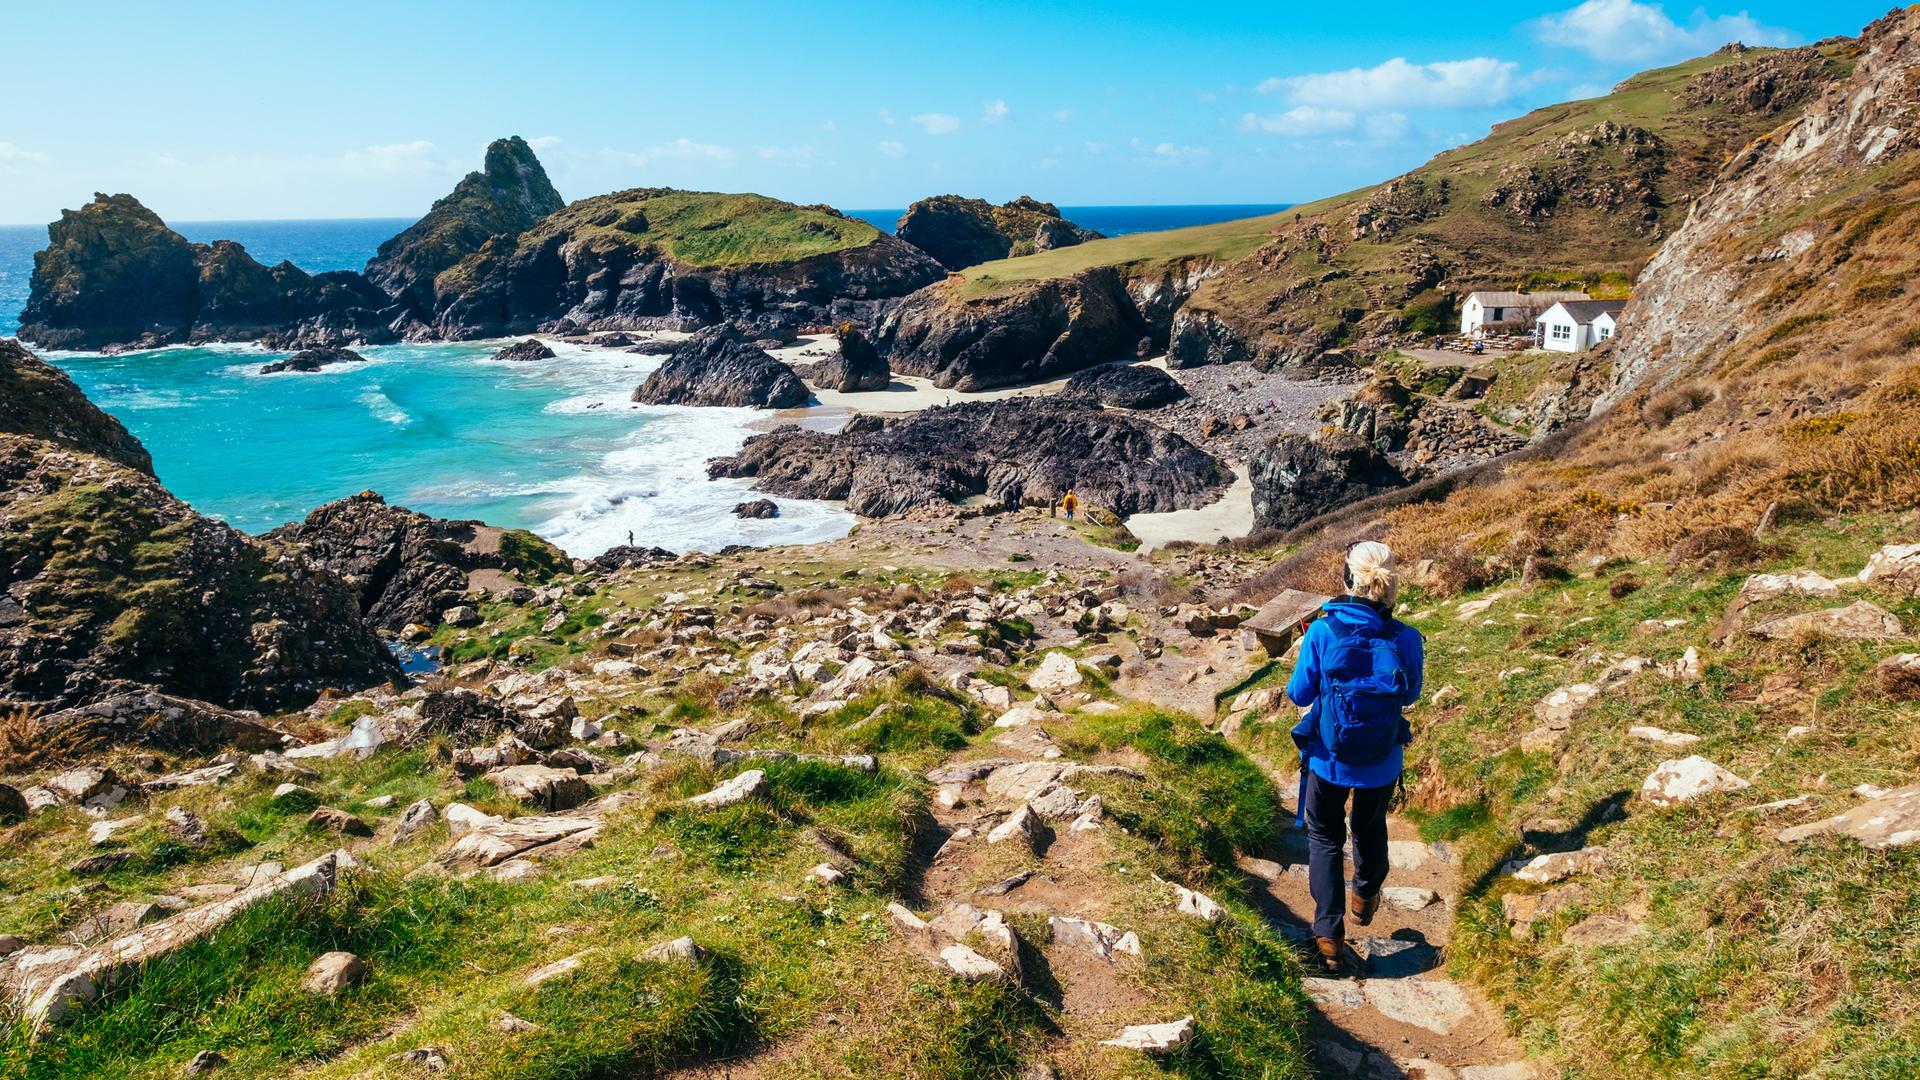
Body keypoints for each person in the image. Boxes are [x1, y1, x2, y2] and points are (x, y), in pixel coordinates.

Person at [1286, 540, 1424, 974]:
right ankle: (1365, 893)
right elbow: (1413, 693)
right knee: (1369, 825)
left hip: (1329, 759)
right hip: (1382, 759)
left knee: (1325, 836)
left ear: (1349, 577)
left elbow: (1298, 693)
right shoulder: (1406, 638)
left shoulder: (1324, 631)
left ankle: (1328, 934)